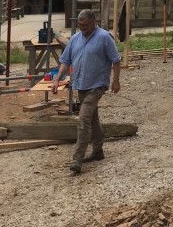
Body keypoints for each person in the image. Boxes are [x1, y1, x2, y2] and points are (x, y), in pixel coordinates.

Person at [52, 9, 121, 175]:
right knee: (92, 119)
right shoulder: (75, 39)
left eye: (85, 25)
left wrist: (116, 80)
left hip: (97, 85)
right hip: (81, 85)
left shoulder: (104, 37)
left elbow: (116, 60)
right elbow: (65, 60)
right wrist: (57, 79)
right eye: (79, 25)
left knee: (83, 120)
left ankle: (77, 160)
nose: (82, 27)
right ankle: (98, 151)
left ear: (93, 22)